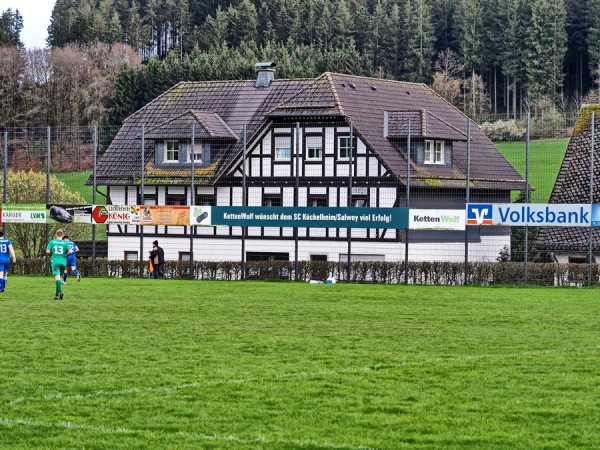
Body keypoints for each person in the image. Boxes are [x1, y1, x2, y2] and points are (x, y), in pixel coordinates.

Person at [46, 229, 72, 300]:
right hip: (63, 262)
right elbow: (70, 251)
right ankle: (57, 295)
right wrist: (65, 255)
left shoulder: (52, 242)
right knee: (60, 277)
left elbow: (47, 251)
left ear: (56, 235)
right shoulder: (65, 243)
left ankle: (60, 291)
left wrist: (53, 252)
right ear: (62, 235)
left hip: (55, 262)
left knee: (57, 278)